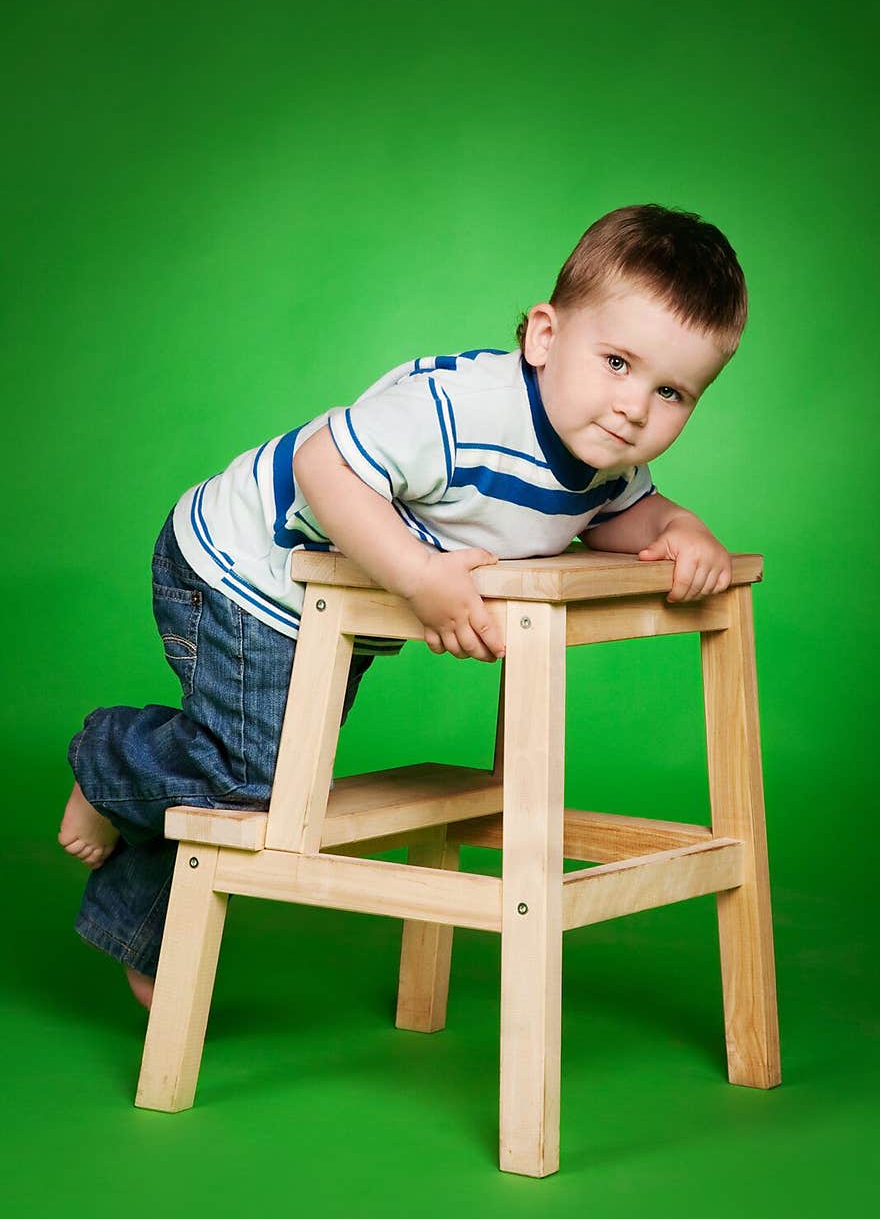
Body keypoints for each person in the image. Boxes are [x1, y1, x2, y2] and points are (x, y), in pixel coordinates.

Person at [59, 202, 748, 1010]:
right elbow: (323, 465)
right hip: (242, 565)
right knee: (255, 778)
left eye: (673, 391)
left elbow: (627, 521)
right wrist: (421, 577)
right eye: (618, 363)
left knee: (262, 783)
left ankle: (142, 932)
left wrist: (683, 530)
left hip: (327, 609)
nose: (635, 406)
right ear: (545, 337)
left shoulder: (602, 461)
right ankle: (107, 757)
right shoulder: (461, 410)